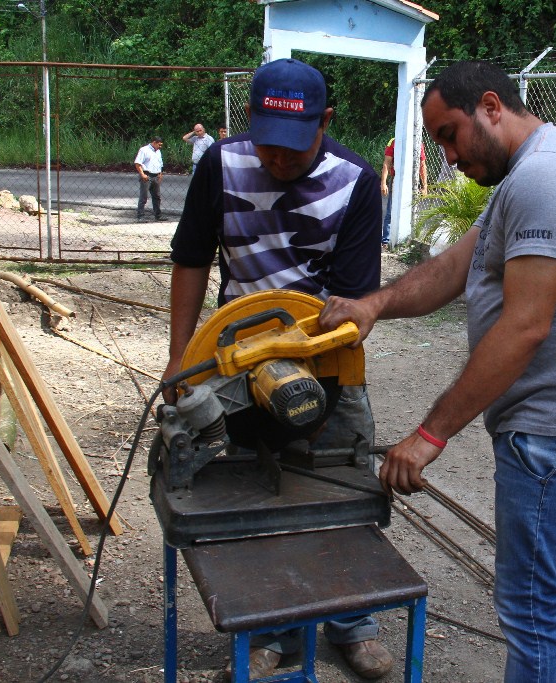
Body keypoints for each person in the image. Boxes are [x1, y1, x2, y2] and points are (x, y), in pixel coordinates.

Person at [319, 60, 556, 683]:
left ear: (491, 106)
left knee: (533, 608)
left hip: (553, 434)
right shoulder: (530, 173)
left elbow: (524, 326)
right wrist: (374, 303)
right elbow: (456, 266)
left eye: (449, 134)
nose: (448, 155)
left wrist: (429, 434)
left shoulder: (545, 177)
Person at [164, 58, 391, 681]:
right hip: (235, 356)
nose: (278, 158)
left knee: (340, 483)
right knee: (253, 488)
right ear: (250, 123)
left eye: (293, 147)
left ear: (326, 122)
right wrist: (183, 357)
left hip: (324, 354)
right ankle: (273, 628)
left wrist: (307, 369)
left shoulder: (355, 182)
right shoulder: (222, 163)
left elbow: (350, 304)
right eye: (267, 142)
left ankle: (353, 621)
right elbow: (190, 260)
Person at [379, 136, 427, 248]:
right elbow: (387, 162)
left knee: (411, 210)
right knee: (391, 211)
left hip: (412, 181)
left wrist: (425, 186)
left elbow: (422, 165)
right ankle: (386, 241)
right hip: (396, 179)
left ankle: (407, 240)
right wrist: (383, 182)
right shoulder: (394, 142)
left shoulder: (418, 143)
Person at [134, 135, 164, 221]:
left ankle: (158, 215)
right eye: (159, 144)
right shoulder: (144, 150)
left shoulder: (158, 151)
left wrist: (160, 173)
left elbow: (160, 163)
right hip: (146, 174)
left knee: (157, 196)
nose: (160, 147)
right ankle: (140, 216)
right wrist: (142, 174)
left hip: (156, 175)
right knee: (144, 196)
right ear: (154, 142)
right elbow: (137, 163)